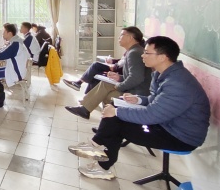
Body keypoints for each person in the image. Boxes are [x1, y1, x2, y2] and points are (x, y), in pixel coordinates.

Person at [68, 36, 211, 180]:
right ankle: (98, 153)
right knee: (116, 109)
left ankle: (96, 148)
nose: (143, 55)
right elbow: (155, 101)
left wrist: (117, 111)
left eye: (147, 53)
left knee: (116, 119)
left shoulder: (178, 83)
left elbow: (151, 115)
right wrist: (138, 99)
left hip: (180, 137)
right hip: (166, 124)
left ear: (163, 57)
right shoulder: (162, 74)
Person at [65, 27, 151, 120]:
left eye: (122, 35)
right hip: (134, 88)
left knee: (108, 95)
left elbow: (136, 78)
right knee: (106, 84)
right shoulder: (134, 51)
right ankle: (86, 110)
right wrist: (119, 77)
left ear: (130, 38)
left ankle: (99, 119)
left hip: (137, 93)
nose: (119, 37)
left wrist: (119, 86)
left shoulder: (134, 53)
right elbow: (134, 75)